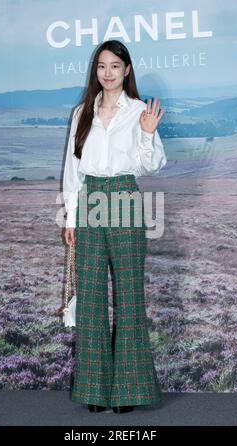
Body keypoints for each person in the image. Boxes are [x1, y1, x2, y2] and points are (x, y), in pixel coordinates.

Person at [62, 39, 167, 414]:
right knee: (90, 299)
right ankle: (93, 389)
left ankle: (128, 391)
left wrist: (149, 132)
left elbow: (149, 166)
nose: (107, 73)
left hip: (124, 198)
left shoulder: (139, 111)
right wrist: (71, 218)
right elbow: (73, 170)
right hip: (90, 199)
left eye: (115, 66)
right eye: (101, 66)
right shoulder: (81, 113)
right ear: (97, 71)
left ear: (126, 70)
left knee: (129, 298)